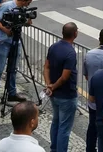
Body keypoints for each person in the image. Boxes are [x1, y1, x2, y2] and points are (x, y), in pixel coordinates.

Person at [0, 0, 33, 110]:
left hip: (16, 41)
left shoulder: (22, 9)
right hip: (3, 42)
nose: (27, 5)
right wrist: (5, 30)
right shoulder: (7, 6)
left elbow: (26, 23)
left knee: (13, 69)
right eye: (28, 3)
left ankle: (11, 93)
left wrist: (28, 20)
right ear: (23, 0)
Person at [44, 22, 79, 152]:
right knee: (64, 128)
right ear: (75, 34)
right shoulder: (70, 52)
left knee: (56, 122)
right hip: (66, 95)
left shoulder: (53, 47)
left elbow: (46, 66)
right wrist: (52, 86)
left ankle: (54, 148)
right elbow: (65, 77)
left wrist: (49, 85)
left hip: (54, 94)